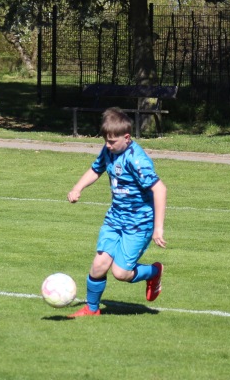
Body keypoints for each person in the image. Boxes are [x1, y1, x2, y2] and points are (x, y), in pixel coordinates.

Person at [67, 108, 167, 318]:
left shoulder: (137, 160)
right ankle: (92, 309)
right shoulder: (109, 151)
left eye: (112, 142)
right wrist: (77, 188)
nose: (107, 145)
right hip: (115, 219)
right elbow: (96, 169)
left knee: (121, 273)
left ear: (127, 138)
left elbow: (160, 189)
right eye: (106, 141)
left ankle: (154, 271)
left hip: (139, 224)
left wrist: (158, 229)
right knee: (98, 265)